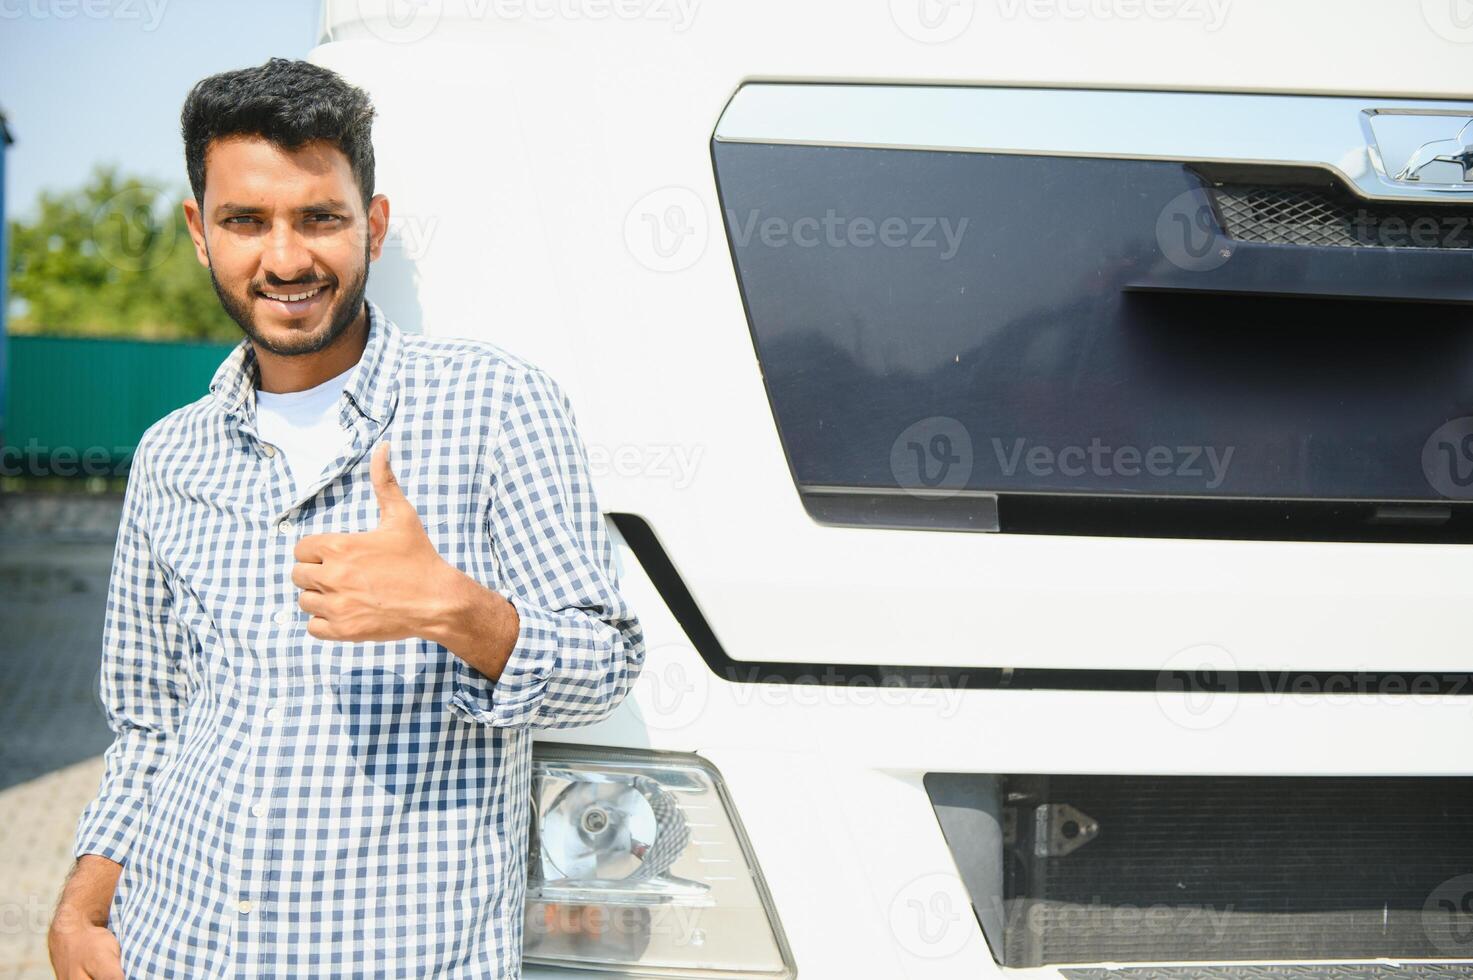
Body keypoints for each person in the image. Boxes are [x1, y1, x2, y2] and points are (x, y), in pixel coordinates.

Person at [46, 57, 646, 979]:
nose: (285, 259)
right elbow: (150, 724)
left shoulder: (495, 408)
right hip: (178, 947)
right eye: (246, 221)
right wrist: (83, 908)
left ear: (372, 224)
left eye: (319, 218)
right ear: (200, 233)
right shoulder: (171, 455)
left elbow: (603, 663)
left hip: (398, 957)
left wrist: (453, 609)